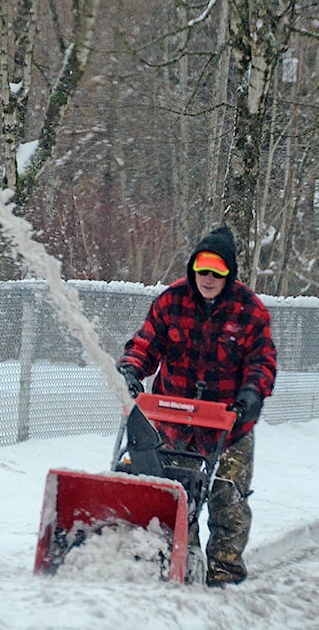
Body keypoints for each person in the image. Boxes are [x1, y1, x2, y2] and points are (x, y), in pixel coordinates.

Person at [117, 226, 277, 587]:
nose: (208, 278)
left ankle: (224, 574)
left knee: (227, 497)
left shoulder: (250, 312)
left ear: (229, 273)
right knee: (170, 493)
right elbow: (145, 344)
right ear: (193, 269)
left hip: (228, 423)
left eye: (217, 271)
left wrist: (252, 395)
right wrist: (130, 370)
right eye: (202, 269)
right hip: (173, 419)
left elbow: (261, 362)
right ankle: (174, 564)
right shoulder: (171, 301)